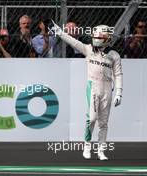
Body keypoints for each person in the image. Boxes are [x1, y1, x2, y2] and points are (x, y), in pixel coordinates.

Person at [51, 21, 123, 160]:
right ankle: (87, 146)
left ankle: (101, 150)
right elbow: (73, 41)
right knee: (92, 119)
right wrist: (59, 32)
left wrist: (119, 92)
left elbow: (118, 74)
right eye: (96, 37)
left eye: (100, 38)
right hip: (93, 87)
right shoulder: (88, 49)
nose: (97, 40)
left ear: (108, 38)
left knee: (104, 122)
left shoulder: (114, 55)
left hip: (107, 88)